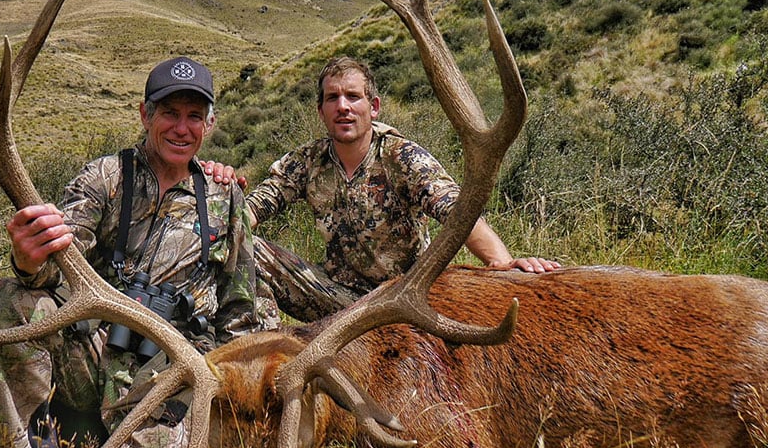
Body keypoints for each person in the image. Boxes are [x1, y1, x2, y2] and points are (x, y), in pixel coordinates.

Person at [0, 55, 268, 448]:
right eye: (168, 112)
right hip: (93, 357)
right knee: (2, 301)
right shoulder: (106, 178)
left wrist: (230, 402)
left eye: (194, 115)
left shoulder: (224, 198)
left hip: (167, 377)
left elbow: (239, 308)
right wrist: (28, 259)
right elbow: (52, 266)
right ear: (144, 115)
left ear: (210, 123)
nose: (181, 127)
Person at [233, 55, 560, 322]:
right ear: (321, 111)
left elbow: (458, 212)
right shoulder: (307, 161)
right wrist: (220, 216)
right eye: (333, 98)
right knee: (247, 246)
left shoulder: (401, 156)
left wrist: (503, 266)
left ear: (373, 106)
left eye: (353, 96)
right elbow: (255, 207)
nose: (343, 106)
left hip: (406, 300)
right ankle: (265, 361)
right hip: (339, 302)